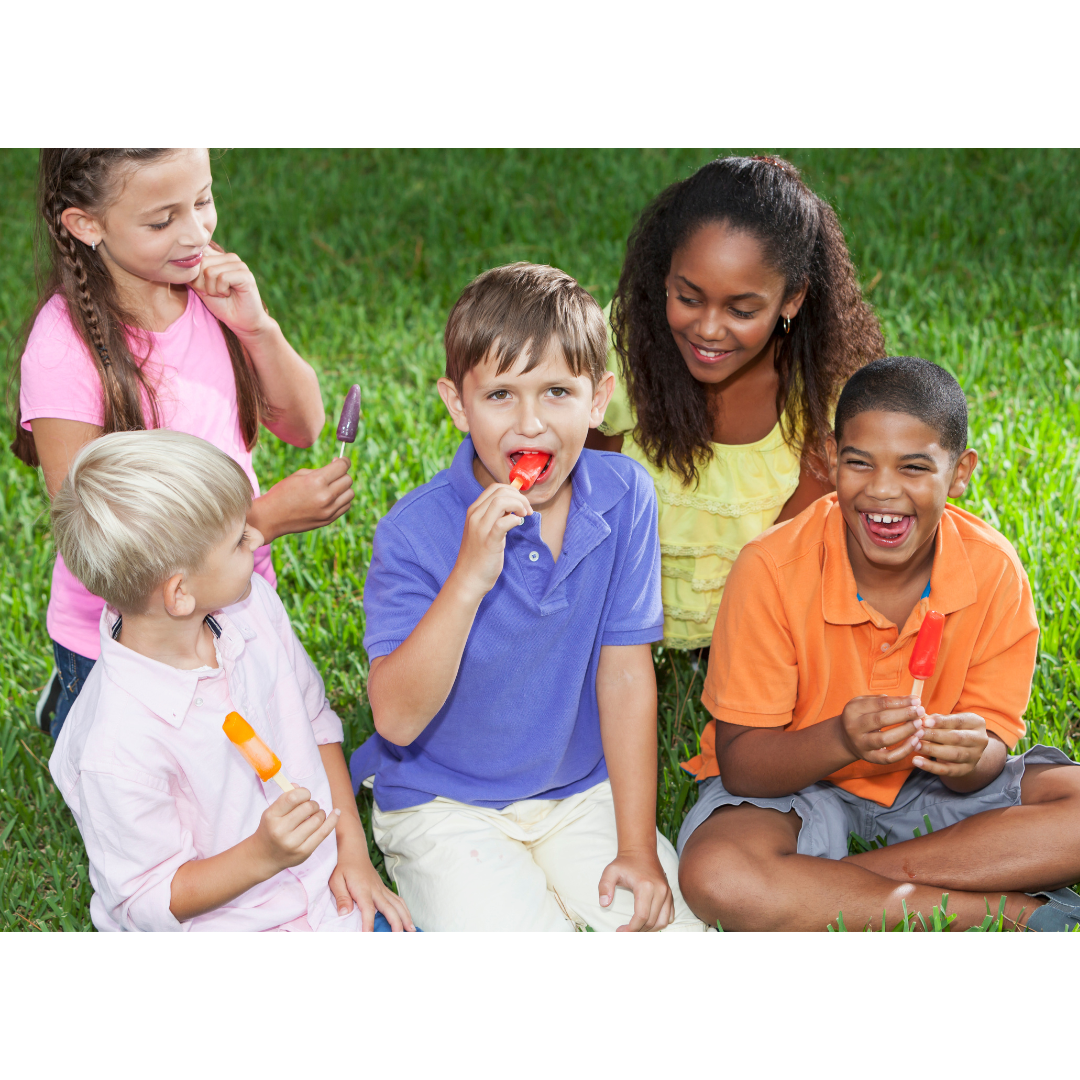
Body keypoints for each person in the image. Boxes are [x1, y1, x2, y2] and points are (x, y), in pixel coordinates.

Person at [351, 262, 706, 931]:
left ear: (598, 399)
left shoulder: (625, 496)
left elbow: (626, 677)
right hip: (445, 803)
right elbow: (396, 719)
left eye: (557, 392)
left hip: (581, 792)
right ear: (457, 403)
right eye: (501, 396)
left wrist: (636, 847)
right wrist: (468, 577)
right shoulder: (413, 531)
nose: (531, 423)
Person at [676, 357, 1080, 931]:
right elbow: (742, 767)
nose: (883, 490)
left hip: (933, 792)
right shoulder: (772, 568)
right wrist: (841, 737)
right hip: (792, 790)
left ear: (960, 472)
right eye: (859, 463)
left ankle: (835, 883)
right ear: (830, 458)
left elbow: (990, 754)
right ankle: (1013, 913)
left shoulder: (993, 572)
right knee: (720, 874)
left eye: (915, 467)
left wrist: (971, 758)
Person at [13, 148, 354, 736]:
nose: (196, 234)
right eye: (162, 220)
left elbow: (303, 427)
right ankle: (71, 696)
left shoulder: (207, 284)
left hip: (237, 596)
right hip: (127, 632)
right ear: (86, 224)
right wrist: (260, 523)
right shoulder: (63, 350)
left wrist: (256, 328)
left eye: (203, 201)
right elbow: (93, 541)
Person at [48, 429, 413, 932]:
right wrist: (261, 855)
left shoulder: (252, 608)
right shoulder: (113, 747)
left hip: (331, 903)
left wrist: (352, 852)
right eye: (240, 538)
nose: (257, 538)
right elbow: (146, 898)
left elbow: (314, 720)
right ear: (179, 594)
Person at [587, 155, 884, 650]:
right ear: (666, 276)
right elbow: (580, 489)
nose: (707, 328)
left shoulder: (822, 383)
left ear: (791, 299)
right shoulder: (623, 346)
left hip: (755, 613)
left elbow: (798, 543)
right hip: (618, 603)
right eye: (688, 297)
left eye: (742, 310)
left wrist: (746, 644)